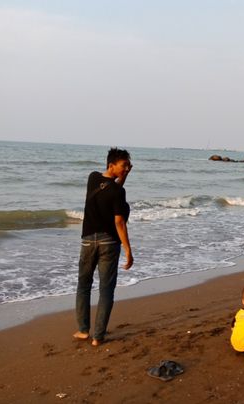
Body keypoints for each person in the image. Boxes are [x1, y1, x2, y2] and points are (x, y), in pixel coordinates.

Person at [73, 147, 134, 346]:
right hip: (109, 243)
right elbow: (119, 222)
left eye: (128, 166)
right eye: (124, 165)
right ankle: (98, 336)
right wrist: (128, 250)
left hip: (88, 241)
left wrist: (123, 177)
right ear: (112, 165)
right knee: (106, 290)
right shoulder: (118, 192)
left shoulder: (92, 178)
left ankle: (83, 331)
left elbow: (110, 187)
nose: (126, 169)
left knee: (84, 286)